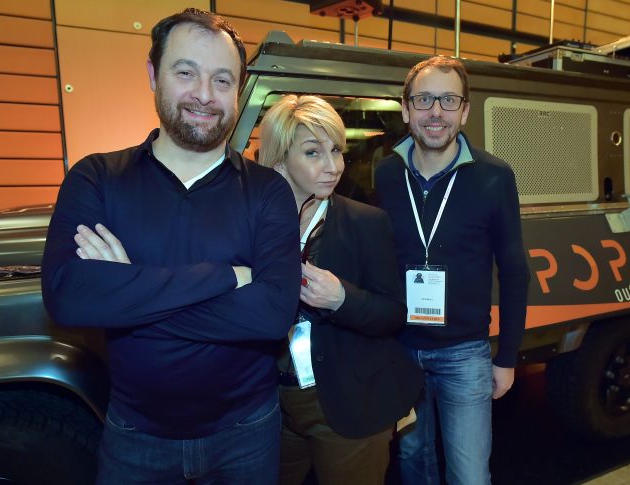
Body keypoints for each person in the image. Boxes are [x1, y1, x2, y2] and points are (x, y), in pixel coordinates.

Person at [41, 9, 301, 484]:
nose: (204, 94)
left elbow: (272, 316)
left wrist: (125, 291)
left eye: (222, 80)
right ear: (153, 75)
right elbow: (67, 296)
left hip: (247, 432)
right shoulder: (97, 178)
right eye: (186, 72)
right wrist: (226, 277)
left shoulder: (268, 191)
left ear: (238, 91)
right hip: (135, 435)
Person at [374, 56, 530, 485]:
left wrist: (507, 357)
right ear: (405, 109)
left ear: (464, 111)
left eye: (448, 100)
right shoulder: (385, 174)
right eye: (424, 99)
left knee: (469, 473)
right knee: (412, 458)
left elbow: (514, 270)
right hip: (401, 348)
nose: (435, 112)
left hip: (465, 353)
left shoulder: (494, 177)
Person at [257, 94, 423, 485]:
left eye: (336, 151)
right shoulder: (252, 225)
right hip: (269, 403)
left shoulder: (366, 222)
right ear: (279, 160)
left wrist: (342, 299)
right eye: (313, 153)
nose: (333, 166)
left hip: (345, 401)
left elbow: (394, 312)